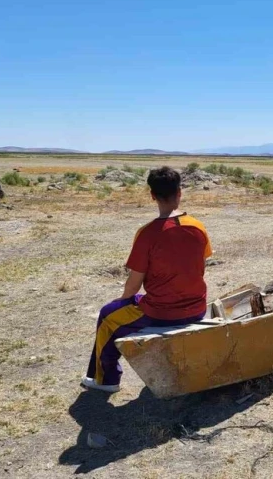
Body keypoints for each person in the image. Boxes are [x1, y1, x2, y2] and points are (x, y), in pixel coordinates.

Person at [82, 166, 212, 393]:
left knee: (107, 315)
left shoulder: (148, 233)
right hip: (197, 307)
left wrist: (122, 301)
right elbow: (200, 264)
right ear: (179, 192)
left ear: (152, 195)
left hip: (161, 313)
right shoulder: (198, 227)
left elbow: (134, 284)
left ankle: (107, 380)